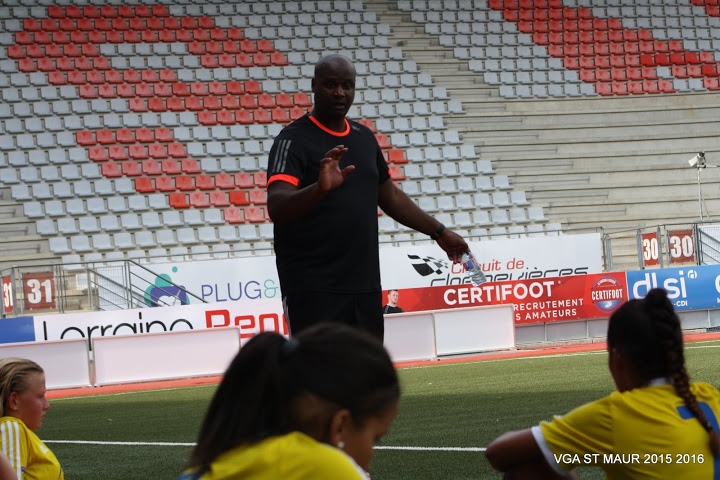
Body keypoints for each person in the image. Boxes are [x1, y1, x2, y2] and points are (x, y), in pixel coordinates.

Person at [266, 53, 469, 340]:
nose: (339, 93)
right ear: (314, 85)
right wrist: (319, 189)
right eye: (330, 85)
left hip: (364, 283)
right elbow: (277, 206)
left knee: (364, 377)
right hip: (312, 285)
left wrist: (439, 232)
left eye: (347, 86)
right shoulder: (292, 140)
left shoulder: (363, 137)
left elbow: (390, 197)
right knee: (316, 376)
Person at [485, 288, 720, 479]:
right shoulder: (710, 396)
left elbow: (498, 453)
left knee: (525, 471)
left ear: (617, 358)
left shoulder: (618, 413)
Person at [179, 323, 400, 480]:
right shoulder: (327, 469)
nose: (371, 454)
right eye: (375, 438)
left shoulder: (215, 465)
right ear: (340, 427)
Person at [0, 358, 64, 479]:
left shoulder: (17, 431)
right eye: (40, 396)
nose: (47, 405)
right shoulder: (10, 428)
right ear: (14, 401)